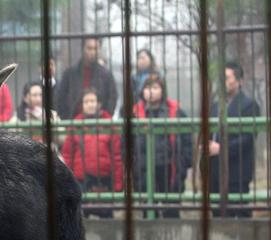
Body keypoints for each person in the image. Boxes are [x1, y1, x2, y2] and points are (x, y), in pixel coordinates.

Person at [132, 73, 193, 218]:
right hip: (144, 169)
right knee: (148, 211)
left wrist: (184, 164)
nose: (151, 91)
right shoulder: (134, 114)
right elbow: (125, 144)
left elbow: (187, 141)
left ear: (162, 90)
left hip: (170, 168)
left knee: (171, 210)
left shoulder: (177, 113)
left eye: (155, 87)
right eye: (147, 87)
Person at [208, 61, 260, 218]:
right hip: (215, 170)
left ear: (239, 81)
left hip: (237, 170)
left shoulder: (249, 105)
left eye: (227, 77)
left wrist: (221, 148)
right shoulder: (215, 106)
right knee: (218, 214)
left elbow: (248, 138)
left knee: (238, 212)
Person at [61, 88, 122, 218]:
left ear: (99, 103)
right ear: (82, 105)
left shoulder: (109, 124)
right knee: (81, 218)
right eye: (86, 101)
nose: (90, 104)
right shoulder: (75, 125)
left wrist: (118, 185)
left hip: (105, 179)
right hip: (81, 180)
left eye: (92, 101)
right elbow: (68, 155)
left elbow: (117, 156)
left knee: (107, 217)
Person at [56, 37, 118, 120]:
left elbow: (112, 99)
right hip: (73, 124)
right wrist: (67, 120)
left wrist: (105, 118)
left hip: (100, 125)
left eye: (96, 49)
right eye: (89, 48)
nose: (93, 52)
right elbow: (61, 99)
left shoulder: (106, 75)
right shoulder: (69, 74)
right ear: (83, 49)